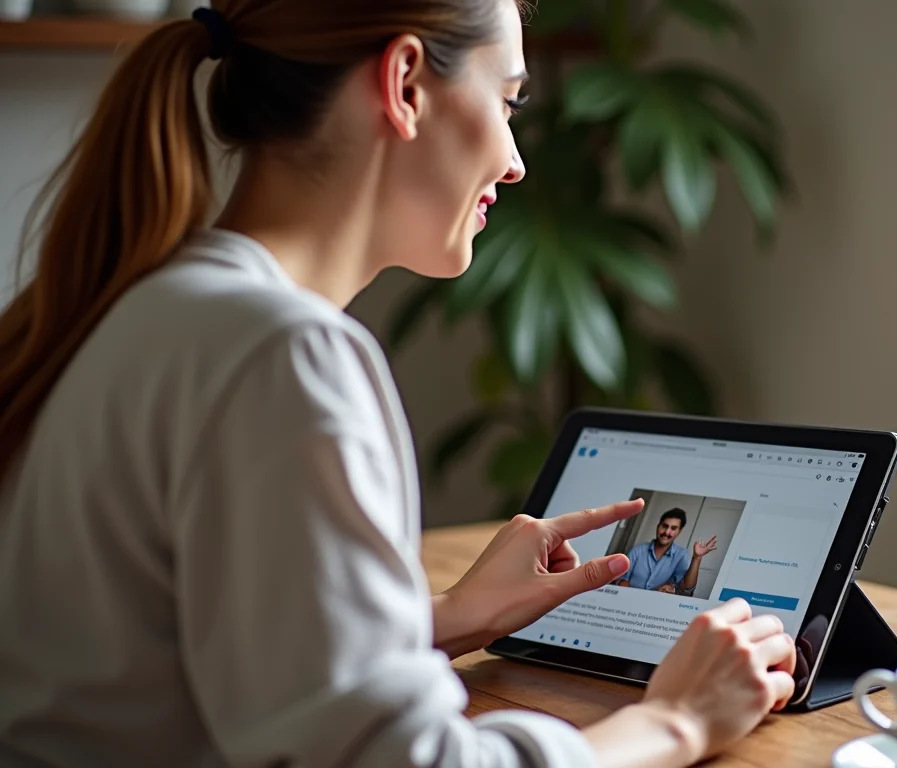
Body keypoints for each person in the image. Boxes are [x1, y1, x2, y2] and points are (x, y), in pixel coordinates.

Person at [0, 1, 796, 767]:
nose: (517, 162)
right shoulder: (284, 355)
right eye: (509, 100)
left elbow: (180, 653)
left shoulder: (144, 305)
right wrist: (676, 721)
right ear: (406, 83)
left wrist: (441, 619)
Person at [617, 509, 718, 595]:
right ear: (658, 526)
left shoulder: (681, 555)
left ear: (679, 531)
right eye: (664, 526)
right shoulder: (637, 550)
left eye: (673, 528)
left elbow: (686, 589)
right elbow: (622, 580)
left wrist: (697, 558)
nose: (667, 532)